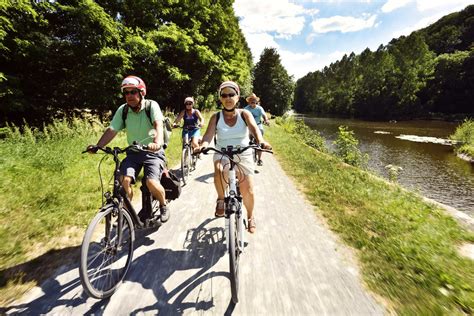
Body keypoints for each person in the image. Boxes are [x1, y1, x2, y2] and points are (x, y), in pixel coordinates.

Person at [86, 75, 169, 222]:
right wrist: (98, 146)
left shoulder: (151, 106)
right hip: (133, 153)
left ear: (141, 92)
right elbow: (112, 130)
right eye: (126, 92)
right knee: (124, 180)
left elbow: (158, 125)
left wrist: (157, 143)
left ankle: (163, 205)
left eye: (133, 92)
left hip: (152, 152)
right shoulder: (123, 110)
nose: (129, 95)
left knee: (151, 182)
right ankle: (127, 212)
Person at [196, 81, 271, 234]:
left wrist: (261, 141)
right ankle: (221, 199)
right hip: (222, 152)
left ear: (238, 97)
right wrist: (203, 145)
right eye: (224, 95)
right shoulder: (216, 117)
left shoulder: (245, 114)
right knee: (219, 170)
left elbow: (254, 129)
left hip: (242, 152)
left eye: (232, 94)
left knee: (247, 189)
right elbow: (208, 135)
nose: (228, 98)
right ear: (220, 98)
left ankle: (250, 217)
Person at [244, 93, 270, 166]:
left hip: (258, 126)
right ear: (249, 101)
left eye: (254, 101)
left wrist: (266, 120)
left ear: (256, 101)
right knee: (248, 141)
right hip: (249, 127)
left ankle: (259, 159)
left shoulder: (259, 108)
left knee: (259, 143)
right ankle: (247, 155)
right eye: (251, 101)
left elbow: (264, 115)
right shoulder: (246, 109)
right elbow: (242, 117)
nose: (253, 102)